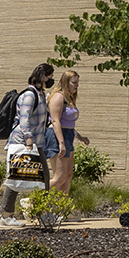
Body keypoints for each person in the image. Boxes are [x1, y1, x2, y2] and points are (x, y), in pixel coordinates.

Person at [0, 62, 56, 227]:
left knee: (44, 178)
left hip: (36, 143)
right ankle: (6, 216)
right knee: (16, 178)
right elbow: (24, 118)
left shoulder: (40, 94)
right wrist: (28, 139)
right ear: (43, 76)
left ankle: (44, 214)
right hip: (23, 142)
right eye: (50, 77)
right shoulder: (30, 95)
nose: (51, 80)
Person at [49, 68, 91, 199]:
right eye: (74, 82)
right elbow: (55, 121)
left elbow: (69, 124)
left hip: (68, 136)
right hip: (57, 137)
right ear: (66, 82)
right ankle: (34, 201)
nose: (77, 86)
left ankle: (61, 207)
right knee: (59, 177)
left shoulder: (70, 99)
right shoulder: (58, 97)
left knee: (68, 175)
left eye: (78, 83)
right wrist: (61, 143)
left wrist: (80, 137)